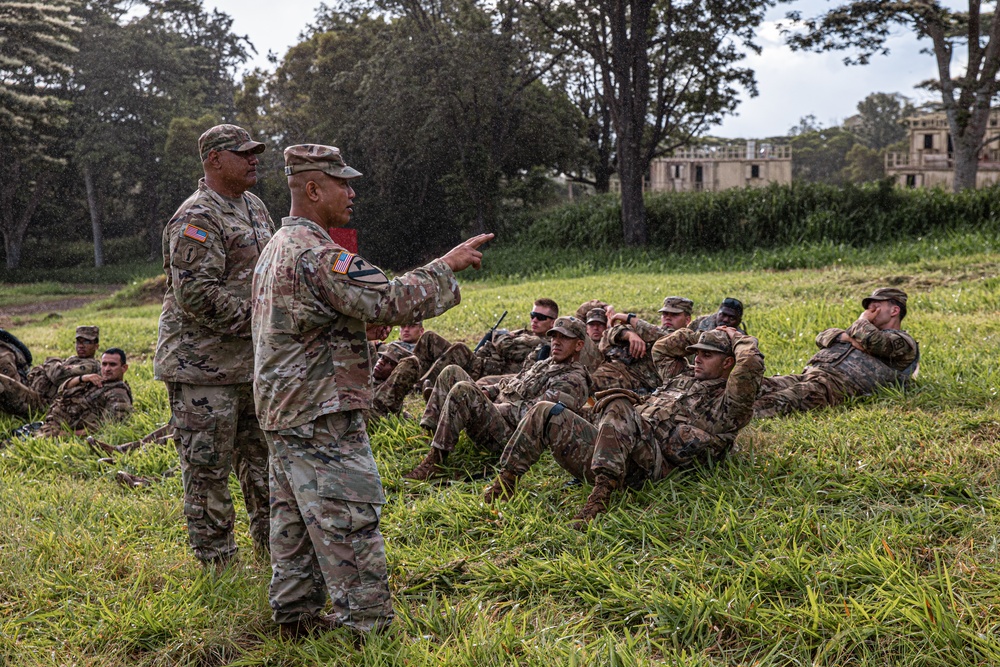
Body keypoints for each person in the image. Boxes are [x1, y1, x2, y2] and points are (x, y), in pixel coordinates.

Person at [251, 143, 492, 638]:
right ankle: (369, 630)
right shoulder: (318, 254)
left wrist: (349, 331)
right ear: (313, 188)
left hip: (283, 408)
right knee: (349, 516)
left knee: (294, 517)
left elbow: (299, 323)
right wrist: (447, 264)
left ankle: (295, 618)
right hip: (321, 410)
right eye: (343, 182)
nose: (352, 191)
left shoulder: (276, 246)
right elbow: (393, 299)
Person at [483, 326, 764, 529]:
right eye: (697, 353)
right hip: (616, 448)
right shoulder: (682, 377)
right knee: (545, 410)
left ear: (728, 362)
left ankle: (601, 497)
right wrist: (705, 334)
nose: (698, 358)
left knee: (618, 401)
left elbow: (750, 363)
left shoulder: (731, 401)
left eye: (708, 354)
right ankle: (506, 482)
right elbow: (664, 348)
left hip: (647, 466)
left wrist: (736, 337)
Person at [153, 124, 274, 567]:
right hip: (201, 369)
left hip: (249, 366)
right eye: (243, 153)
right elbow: (196, 295)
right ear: (215, 161)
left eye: (254, 152)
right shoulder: (197, 217)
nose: (253, 159)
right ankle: (218, 562)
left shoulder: (254, 207)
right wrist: (261, 323)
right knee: (208, 470)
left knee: (263, 464)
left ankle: (274, 549)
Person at [404, 316, 592, 481]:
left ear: (579, 345)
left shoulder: (573, 380)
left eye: (564, 337)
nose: (556, 342)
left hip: (510, 436)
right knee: (451, 372)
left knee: (463, 390)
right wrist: (489, 391)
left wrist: (494, 406)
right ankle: (429, 430)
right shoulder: (545, 363)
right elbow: (514, 381)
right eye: (554, 336)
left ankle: (436, 460)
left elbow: (537, 418)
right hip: (498, 414)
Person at [754, 287, 918, 418]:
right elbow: (822, 336)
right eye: (868, 309)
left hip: (833, 387)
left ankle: (732, 417)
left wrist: (862, 320)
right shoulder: (860, 331)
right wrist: (846, 337)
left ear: (894, 311)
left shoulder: (903, 341)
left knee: (779, 400)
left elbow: (875, 341)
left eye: (875, 307)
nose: (869, 311)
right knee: (757, 385)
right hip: (814, 374)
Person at [418, 299, 560, 392]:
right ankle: (416, 375)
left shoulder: (546, 344)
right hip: (480, 362)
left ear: (552, 322)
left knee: (459, 349)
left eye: (540, 317)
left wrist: (500, 337)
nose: (534, 320)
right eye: (532, 315)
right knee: (430, 338)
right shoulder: (523, 333)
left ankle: (421, 386)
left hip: (490, 373)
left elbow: (508, 348)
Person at [590, 297, 694, 394]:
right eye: (665, 314)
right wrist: (629, 334)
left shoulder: (690, 341)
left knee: (587, 383)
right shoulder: (648, 331)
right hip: (615, 370)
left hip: (640, 386)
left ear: (687, 320)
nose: (668, 318)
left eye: (674, 315)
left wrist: (631, 319)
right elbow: (608, 333)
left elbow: (670, 340)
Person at [0, 325, 101, 418]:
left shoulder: (91, 366)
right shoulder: (73, 359)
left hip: (39, 402)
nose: (81, 346)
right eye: (79, 341)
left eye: (87, 342)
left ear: (96, 346)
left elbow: (57, 375)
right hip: (28, 386)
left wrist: (52, 361)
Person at [36, 348, 133, 438]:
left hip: (62, 432)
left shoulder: (119, 394)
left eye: (112, 365)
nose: (107, 369)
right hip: (53, 424)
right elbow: (62, 389)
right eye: (104, 364)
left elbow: (107, 428)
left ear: (124, 368)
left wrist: (66, 434)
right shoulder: (98, 381)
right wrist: (82, 378)